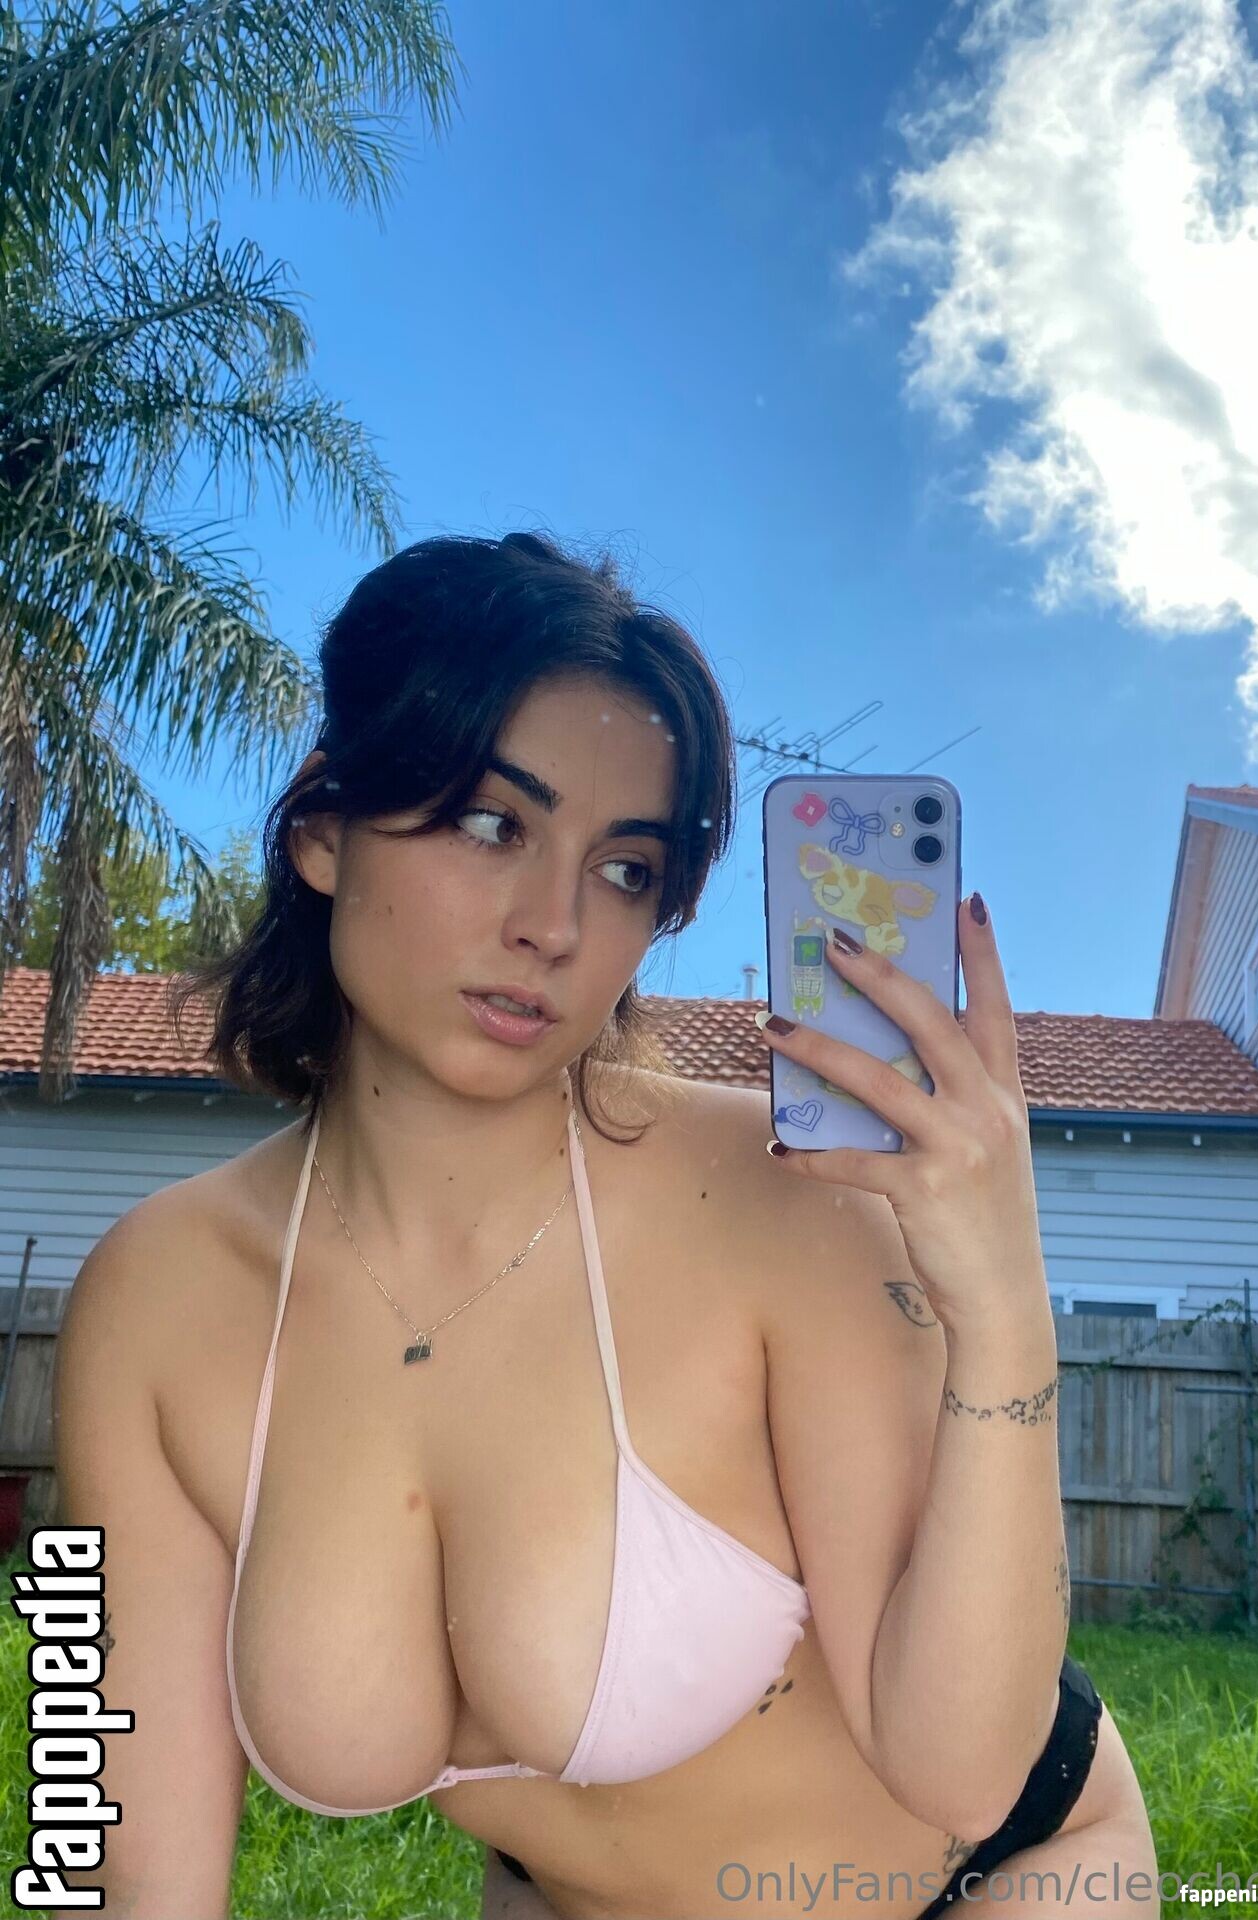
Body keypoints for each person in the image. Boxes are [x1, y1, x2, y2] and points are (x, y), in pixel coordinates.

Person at [52, 531, 1158, 1920]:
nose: (554, 924)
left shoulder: (777, 1196)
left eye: (625, 868)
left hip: (995, 1881)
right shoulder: (155, 1302)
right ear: (323, 830)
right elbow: (104, 1839)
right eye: (491, 825)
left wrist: (999, 1314)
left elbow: (965, 1767)